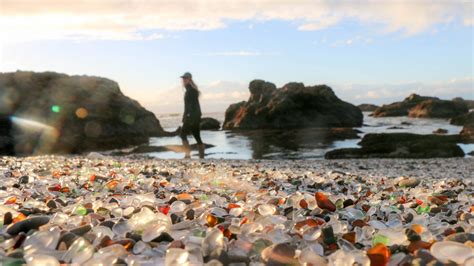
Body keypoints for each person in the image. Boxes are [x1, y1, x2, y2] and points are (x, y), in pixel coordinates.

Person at [179, 72, 205, 159]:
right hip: (193, 116)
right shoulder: (189, 90)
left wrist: (188, 116)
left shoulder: (192, 91)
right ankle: (201, 156)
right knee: (196, 135)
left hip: (192, 116)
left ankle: (187, 155)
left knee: (183, 134)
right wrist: (184, 116)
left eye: (185, 78)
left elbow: (192, 105)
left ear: (190, 79)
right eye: (183, 78)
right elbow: (188, 106)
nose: (184, 80)